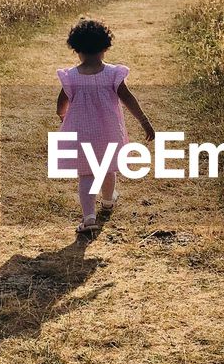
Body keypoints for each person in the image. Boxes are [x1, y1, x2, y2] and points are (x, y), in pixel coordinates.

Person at [56, 17, 155, 234]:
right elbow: (129, 99)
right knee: (107, 168)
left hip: (81, 133)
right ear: (105, 47)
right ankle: (108, 200)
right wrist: (144, 122)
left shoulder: (71, 77)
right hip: (108, 132)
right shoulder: (112, 74)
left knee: (86, 174)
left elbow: (61, 103)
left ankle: (89, 217)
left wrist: (63, 117)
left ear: (76, 49)